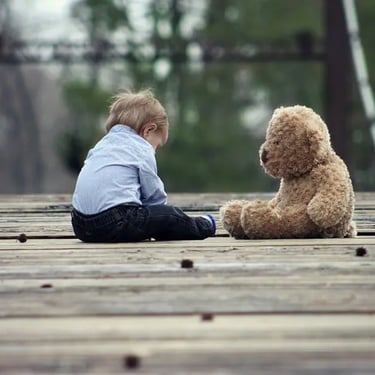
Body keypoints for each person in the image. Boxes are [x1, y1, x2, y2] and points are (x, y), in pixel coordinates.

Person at [71, 88, 216, 242]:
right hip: (115, 222)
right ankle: (204, 225)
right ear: (148, 130)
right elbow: (153, 195)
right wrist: (159, 215)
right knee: (170, 216)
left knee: (148, 220)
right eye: (157, 145)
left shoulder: (101, 146)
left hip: (80, 225)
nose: (155, 150)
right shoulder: (141, 148)